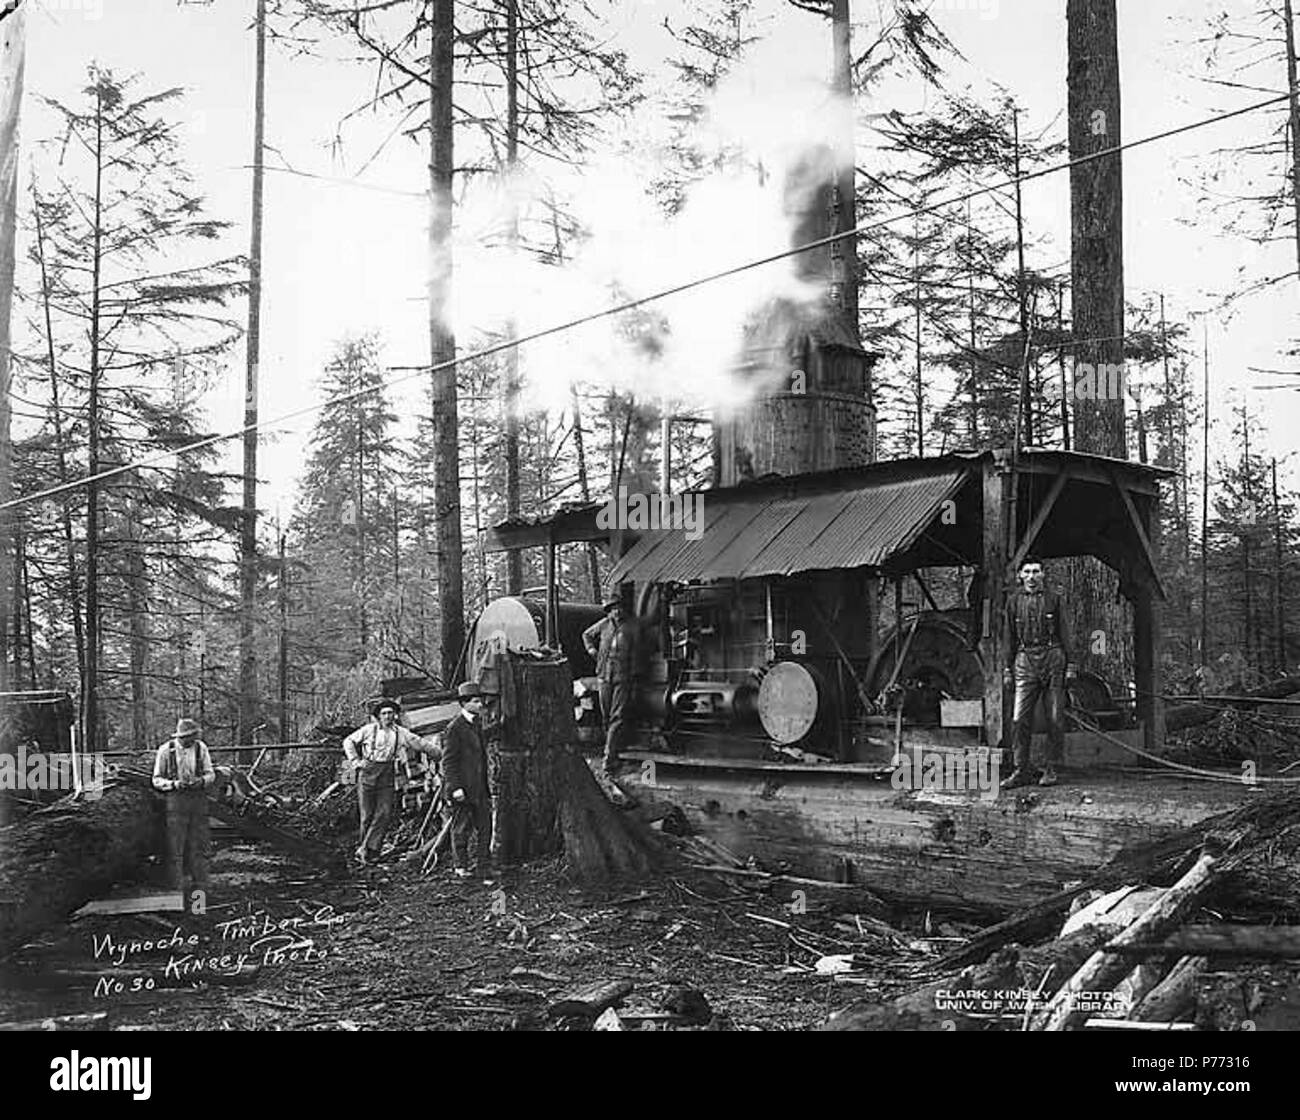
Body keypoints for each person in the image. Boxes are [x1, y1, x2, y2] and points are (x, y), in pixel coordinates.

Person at [1002, 556, 1075, 789]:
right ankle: (1021, 769)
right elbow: (1009, 637)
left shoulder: (1055, 600)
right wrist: (1007, 668)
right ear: (1020, 576)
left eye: (1036, 572)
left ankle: (1052, 768)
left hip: (1053, 658)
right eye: (1027, 572)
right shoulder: (1013, 602)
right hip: (1024, 660)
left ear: (1043, 575)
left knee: (1054, 717)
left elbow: (1066, 632)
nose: (1032, 577)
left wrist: (1071, 665)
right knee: (1019, 719)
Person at [342, 699, 441, 866]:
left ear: (394, 715)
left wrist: (440, 753)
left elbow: (419, 742)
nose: (388, 716)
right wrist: (355, 761)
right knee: (367, 815)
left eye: (390, 713)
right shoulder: (368, 730)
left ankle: (369, 849)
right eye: (384, 713)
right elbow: (348, 742)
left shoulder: (400, 732)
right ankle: (367, 851)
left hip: (387, 774)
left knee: (385, 812)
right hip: (367, 772)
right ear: (378, 716)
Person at [152, 717, 217, 897]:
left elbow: (210, 773)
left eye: (194, 736)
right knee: (175, 847)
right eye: (190, 736)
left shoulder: (201, 748)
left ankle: (201, 889)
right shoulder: (165, 750)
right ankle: (176, 890)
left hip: (198, 801)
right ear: (181, 736)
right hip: (176, 802)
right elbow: (156, 779)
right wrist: (173, 785)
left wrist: (202, 781)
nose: (193, 740)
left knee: (201, 846)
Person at [441, 681, 496, 883]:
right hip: (462, 788)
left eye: (480, 699)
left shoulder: (478, 723)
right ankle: (461, 866)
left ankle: (483, 866)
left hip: (480, 787)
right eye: (475, 700)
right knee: (461, 829)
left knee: (485, 827)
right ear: (464, 703)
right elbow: (448, 761)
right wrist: (455, 788)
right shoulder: (454, 728)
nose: (480, 703)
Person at [583, 595, 637, 773]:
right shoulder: (604, 624)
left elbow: (639, 650)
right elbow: (587, 635)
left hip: (623, 676)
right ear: (609, 611)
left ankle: (609, 757)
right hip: (604, 675)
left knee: (618, 715)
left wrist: (634, 670)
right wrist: (591, 649)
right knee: (606, 716)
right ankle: (612, 748)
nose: (617, 611)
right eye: (613, 608)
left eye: (619, 608)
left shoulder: (631, 627)